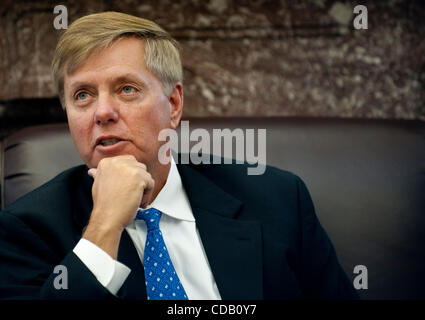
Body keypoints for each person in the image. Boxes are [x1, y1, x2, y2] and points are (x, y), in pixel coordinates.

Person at [0, 11, 358, 300]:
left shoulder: (278, 198)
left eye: (127, 89)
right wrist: (104, 227)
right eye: (82, 95)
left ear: (173, 105)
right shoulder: (25, 230)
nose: (102, 112)